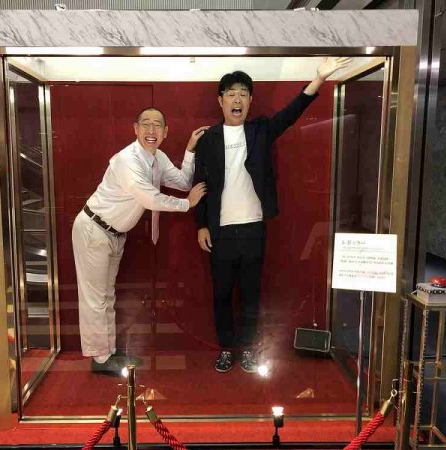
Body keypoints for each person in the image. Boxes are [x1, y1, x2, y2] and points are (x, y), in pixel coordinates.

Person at [193, 57, 351, 373]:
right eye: (231, 93)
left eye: (243, 94)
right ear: (220, 100)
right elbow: (200, 183)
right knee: (221, 294)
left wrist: (319, 78)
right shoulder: (208, 139)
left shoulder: (261, 130)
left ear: (250, 100)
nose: (237, 99)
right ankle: (227, 349)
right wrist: (201, 225)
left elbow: (292, 113)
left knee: (251, 295)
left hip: (253, 228)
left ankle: (247, 350)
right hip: (220, 231)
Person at [73, 107, 208, 377]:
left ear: (165, 132)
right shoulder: (127, 159)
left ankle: (107, 353)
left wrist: (190, 149)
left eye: (157, 125)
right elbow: (149, 198)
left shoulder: (158, 158)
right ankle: (100, 358)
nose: (151, 130)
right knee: (96, 299)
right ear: (135, 129)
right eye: (145, 124)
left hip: (113, 234)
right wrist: (187, 204)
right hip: (94, 229)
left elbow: (183, 181)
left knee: (106, 296)